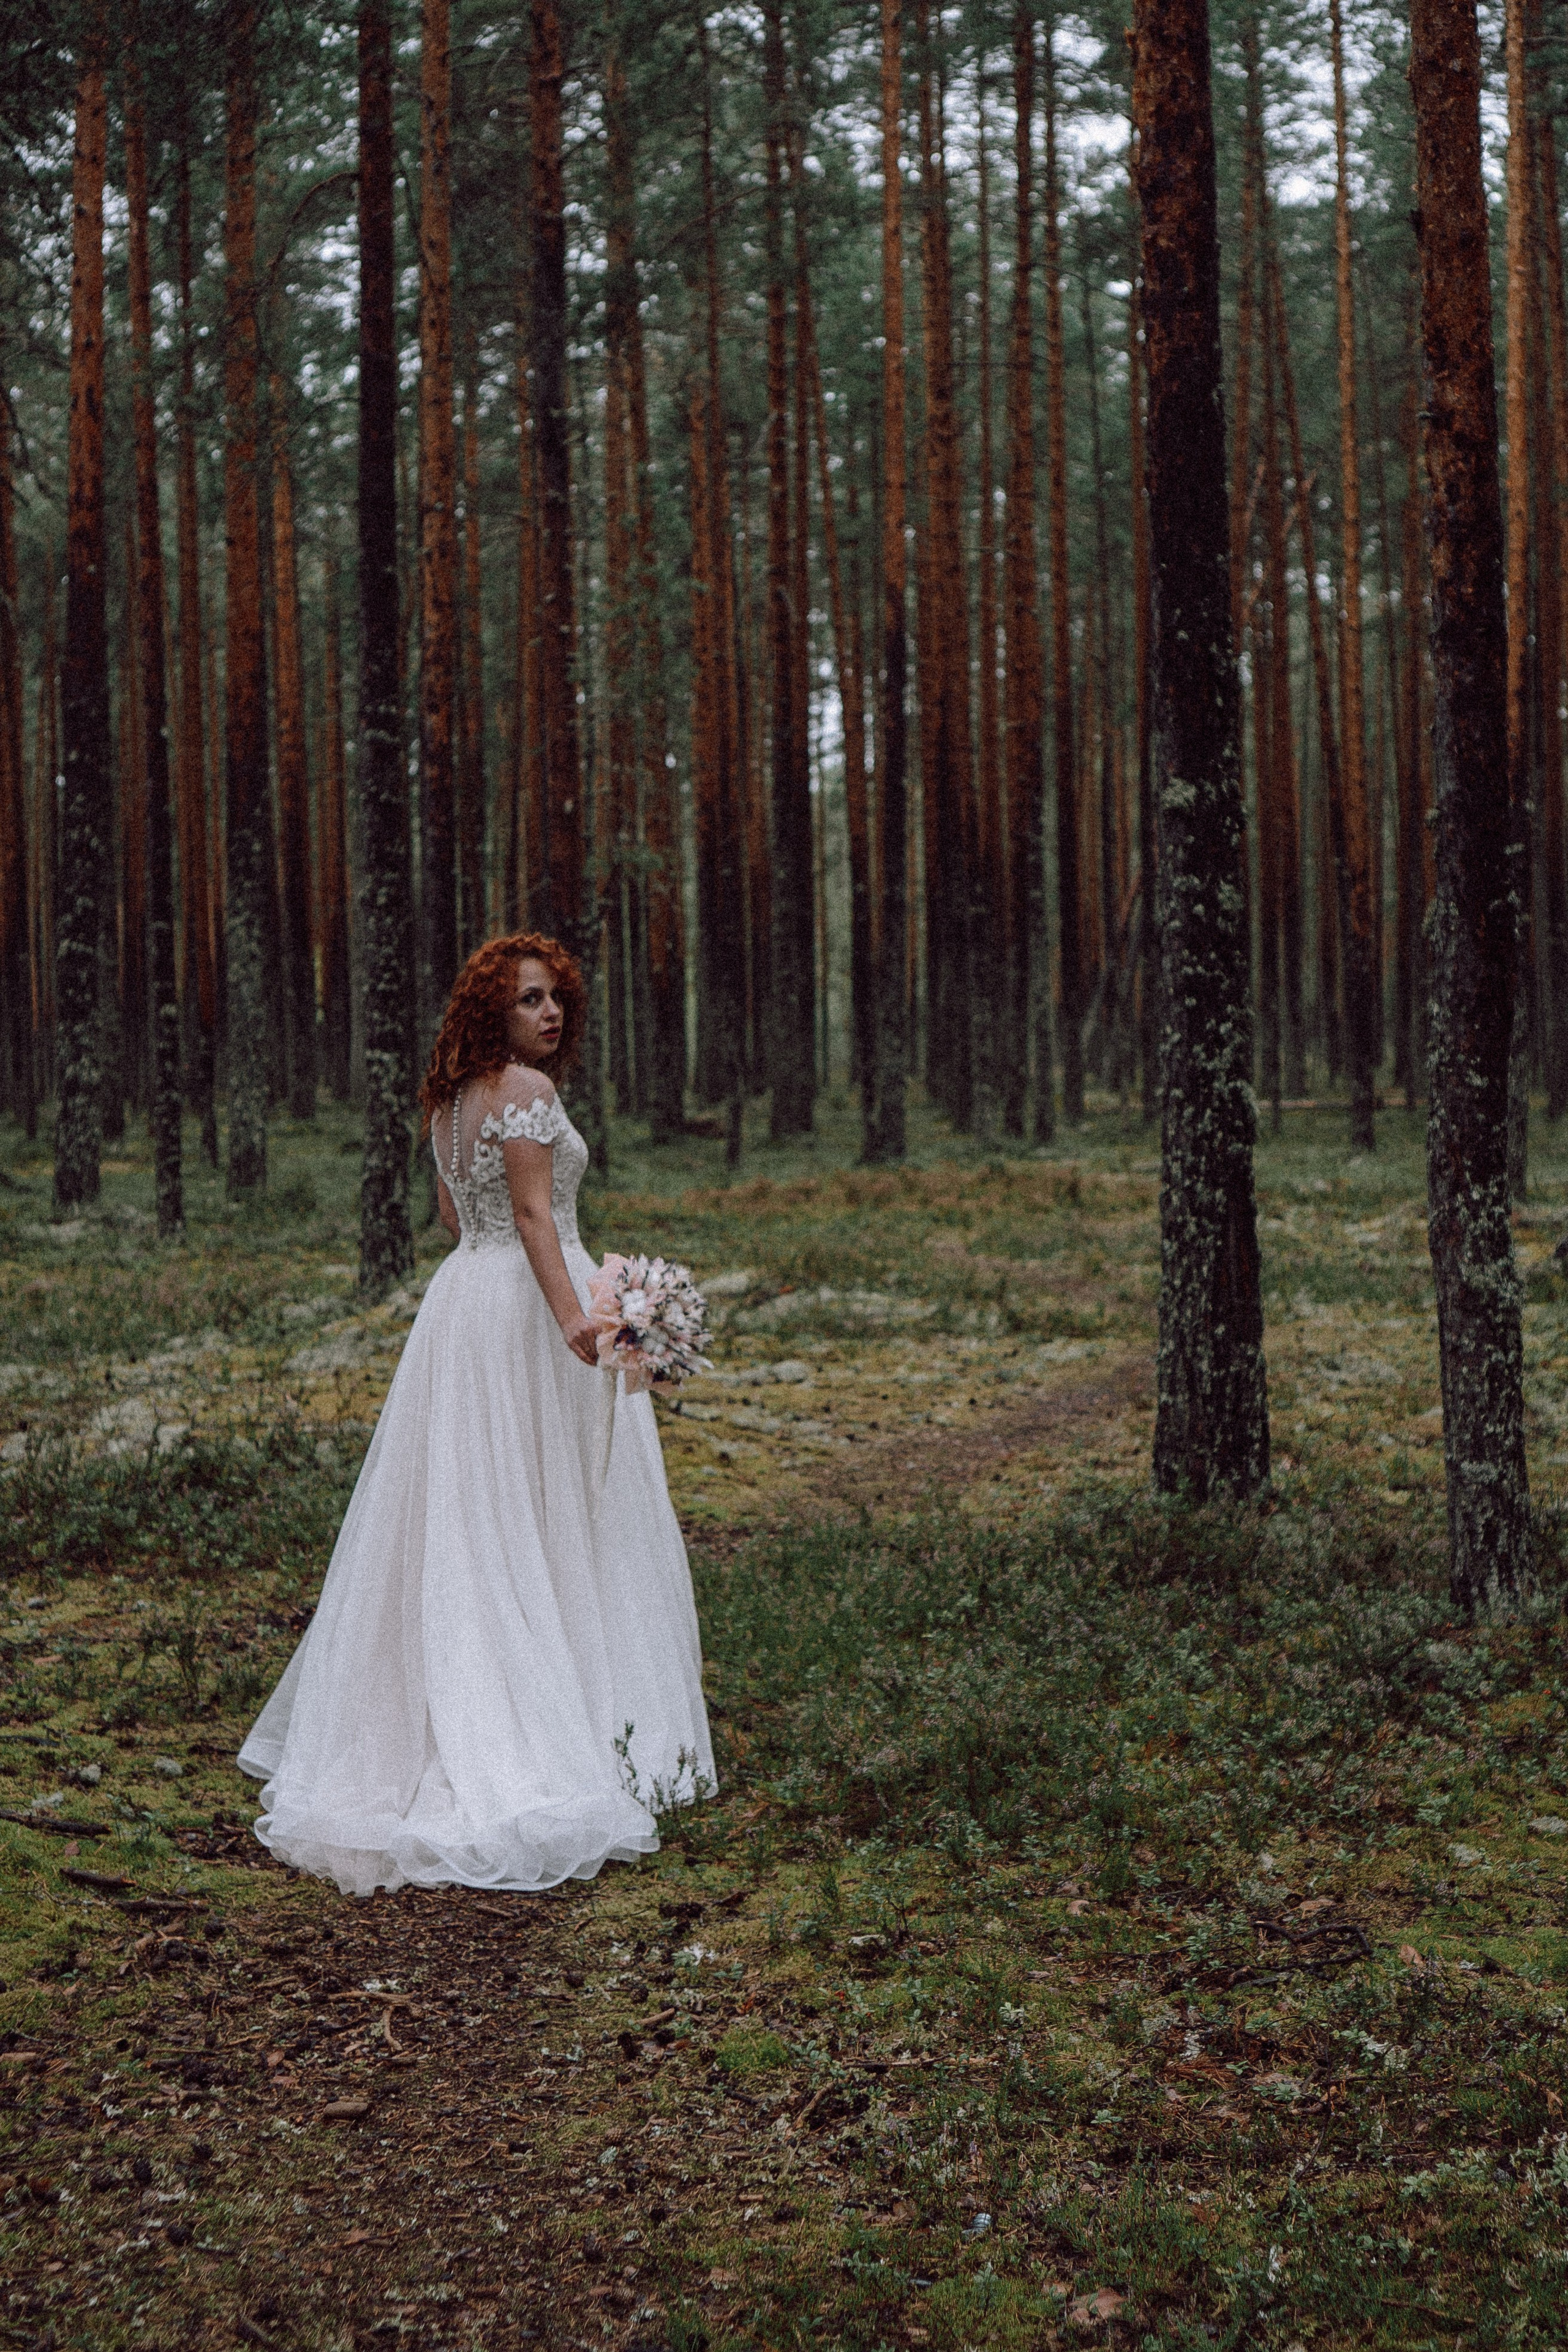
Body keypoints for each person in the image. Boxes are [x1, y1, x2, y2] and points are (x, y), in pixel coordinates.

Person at [238, 932, 714, 1895]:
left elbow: (461, 1222)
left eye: (557, 1000)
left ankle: (454, 1705)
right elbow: (537, 1217)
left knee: (472, 1507)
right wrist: (578, 1314)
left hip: (464, 1307)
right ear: (492, 1011)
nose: (551, 1015)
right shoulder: (529, 1096)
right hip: (530, 1314)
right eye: (531, 1000)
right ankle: (558, 1721)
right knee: (545, 1505)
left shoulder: (452, 1103)